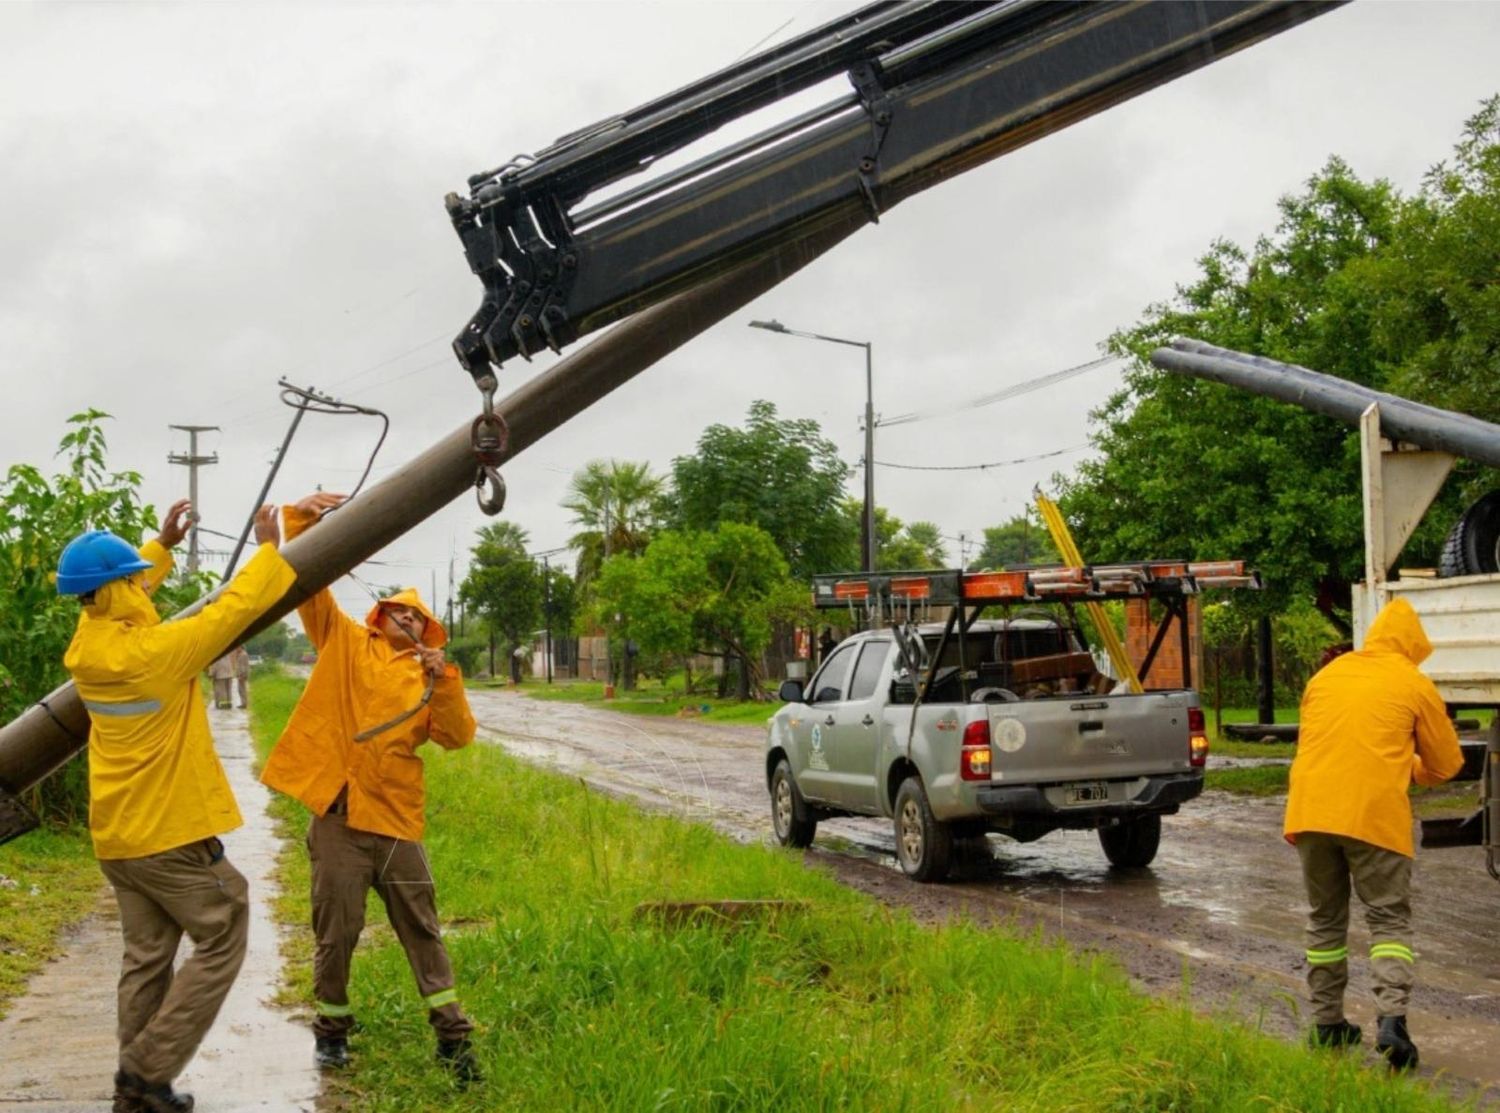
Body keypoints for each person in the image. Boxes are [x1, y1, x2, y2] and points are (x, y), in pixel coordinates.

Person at [57, 499, 296, 1113]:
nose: (142, 583)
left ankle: (136, 1098)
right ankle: (147, 1068)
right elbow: (235, 610)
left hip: (118, 838)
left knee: (146, 960)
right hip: (168, 835)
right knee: (225, 925)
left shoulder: (90, 645)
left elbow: (117, 593)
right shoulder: (160, 653)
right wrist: (270, 550)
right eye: (134, 577)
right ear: (118, 589)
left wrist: (156, 549)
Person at [259, 493, 482, 1085]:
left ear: (428, 632)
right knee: (336, 933)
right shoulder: (344, 642)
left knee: (423, 930)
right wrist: (301, 524)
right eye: (399, 613)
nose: (409, 621)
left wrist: (447, 680)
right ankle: (331, 1034)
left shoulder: (428, 678)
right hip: (337, 819)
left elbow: (457, 738)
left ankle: (454, 1039)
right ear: (379, 616)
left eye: (419, 618)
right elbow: (311, 586)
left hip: (396, 824)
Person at [1283, 597, 1464, 1071]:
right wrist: (1411, 767)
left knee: (1325, 919)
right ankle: (1392, 1023)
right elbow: (1447, 764)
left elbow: (1318, 742)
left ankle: (1327, 1026)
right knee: (1387, 923)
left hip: (1310, 813)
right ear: (1413, 645)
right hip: (1372, 817)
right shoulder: (1412, 682)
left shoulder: (1327, 676)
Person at [231, 644, 251, 709]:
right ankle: (243, 703)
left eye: (237, 648)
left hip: (242, 675)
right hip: (242, 675)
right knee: (241, 690)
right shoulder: (241, 654)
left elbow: (243, 666)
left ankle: (244, 704)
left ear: (240, 647)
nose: (236, 650)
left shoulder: (243, 655)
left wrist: (241, 675)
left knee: (242, 690)